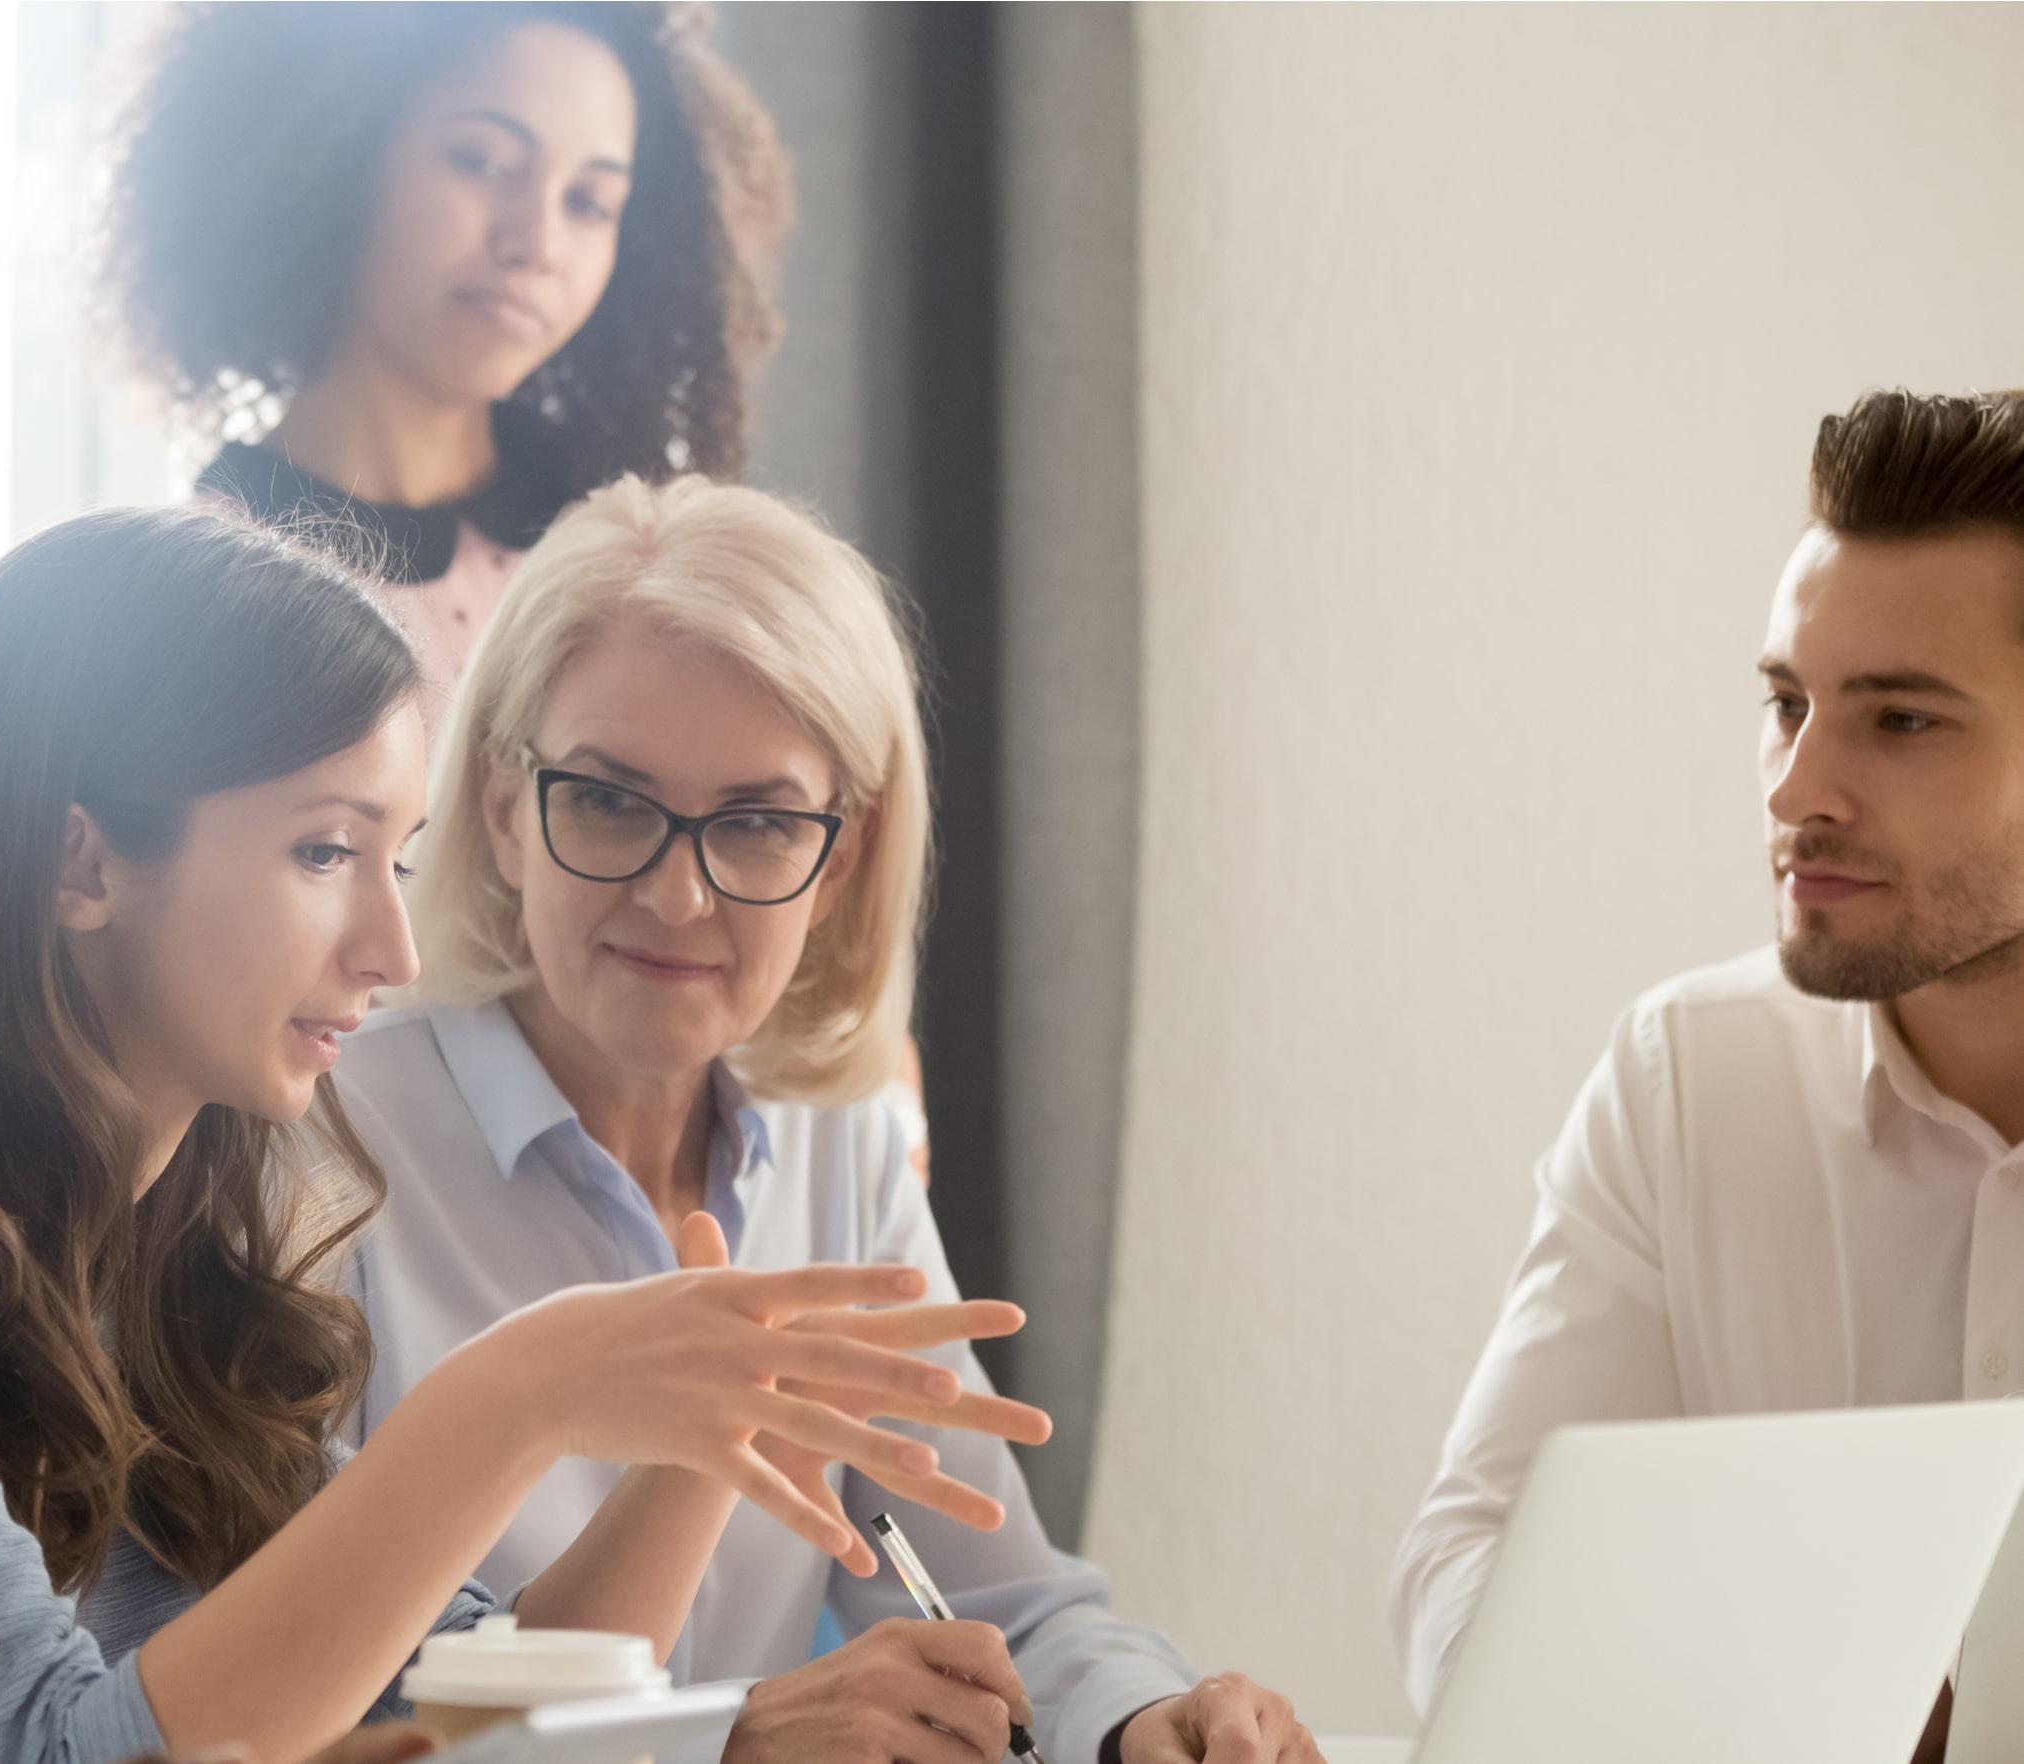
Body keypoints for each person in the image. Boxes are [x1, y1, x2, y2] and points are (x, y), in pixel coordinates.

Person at [0, 504, 1033, 1764]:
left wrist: (714, 1429)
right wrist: (508, 1402)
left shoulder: (150, 1270)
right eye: (324, 852)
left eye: (392, 860)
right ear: (83, 860)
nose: (393, 947)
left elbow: (477, 1731)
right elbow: (37, 1753)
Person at [346, 475, 1325, 1764]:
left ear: (842, 855)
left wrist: (1144, 1723)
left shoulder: (837, 1136)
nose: (680, 897)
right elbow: (324, 1703)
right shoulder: (322, 1134)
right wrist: (723, 1741)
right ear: (499, 808)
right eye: (608, 801)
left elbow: (999, 1601)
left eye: (755, 824)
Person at [1392, 388, 2024, 1727]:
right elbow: (1468, 1579)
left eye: (1899, 720)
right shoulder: (1687, 1080)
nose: (1799, 787)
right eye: (1788, 703)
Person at [93, 1, 789, 697]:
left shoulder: (622, 552)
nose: (538, 244)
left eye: (588, 202)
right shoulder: (196, 599)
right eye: (482, 161)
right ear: (335, 152)